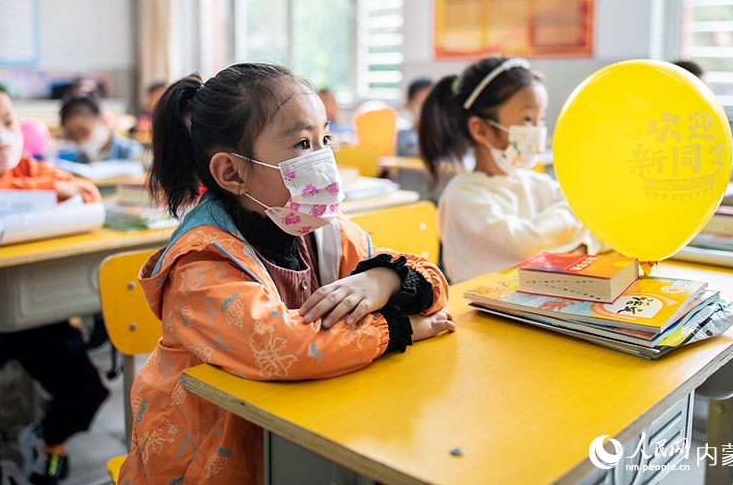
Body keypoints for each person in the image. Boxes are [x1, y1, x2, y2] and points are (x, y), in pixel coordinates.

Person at [118, 63, 455, 483]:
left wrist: (381, 280)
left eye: (325, 139)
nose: (324, 158)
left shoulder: (322, 232)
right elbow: (288, 346)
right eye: (301, 143)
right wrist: (399, 328)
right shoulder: (199, 263)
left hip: (300, 436)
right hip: (207, 465)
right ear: (232, 172)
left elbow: (432, 280)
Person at [0, 78, 110, 485]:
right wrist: (52, 191)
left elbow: (87, 193)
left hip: (34, 313)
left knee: (86, 390)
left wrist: (48, 187)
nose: (2, 135)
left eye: (8, 122)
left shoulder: (30, 167)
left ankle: (47, 439)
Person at [418, 56, 606, 283]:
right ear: (481, 130)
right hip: (481, 304)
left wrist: (578, 242)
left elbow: (597, 216)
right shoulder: (463, 197)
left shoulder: (535, 182)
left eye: (540, 119)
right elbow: (528, 244)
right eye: (527, 119)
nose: (537, 130)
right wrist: (579, 237)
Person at [59, 94, 144, 163]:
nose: (79, 139)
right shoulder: (77, 161)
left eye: (83, 131)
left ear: (102, 120)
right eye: (72, 135)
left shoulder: (133, 153)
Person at [395, 76, 434, 157]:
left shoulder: (440, 135)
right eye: (423, 104)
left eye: (432, 105)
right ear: (408, 105)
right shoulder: (403, 135)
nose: (429, 110)